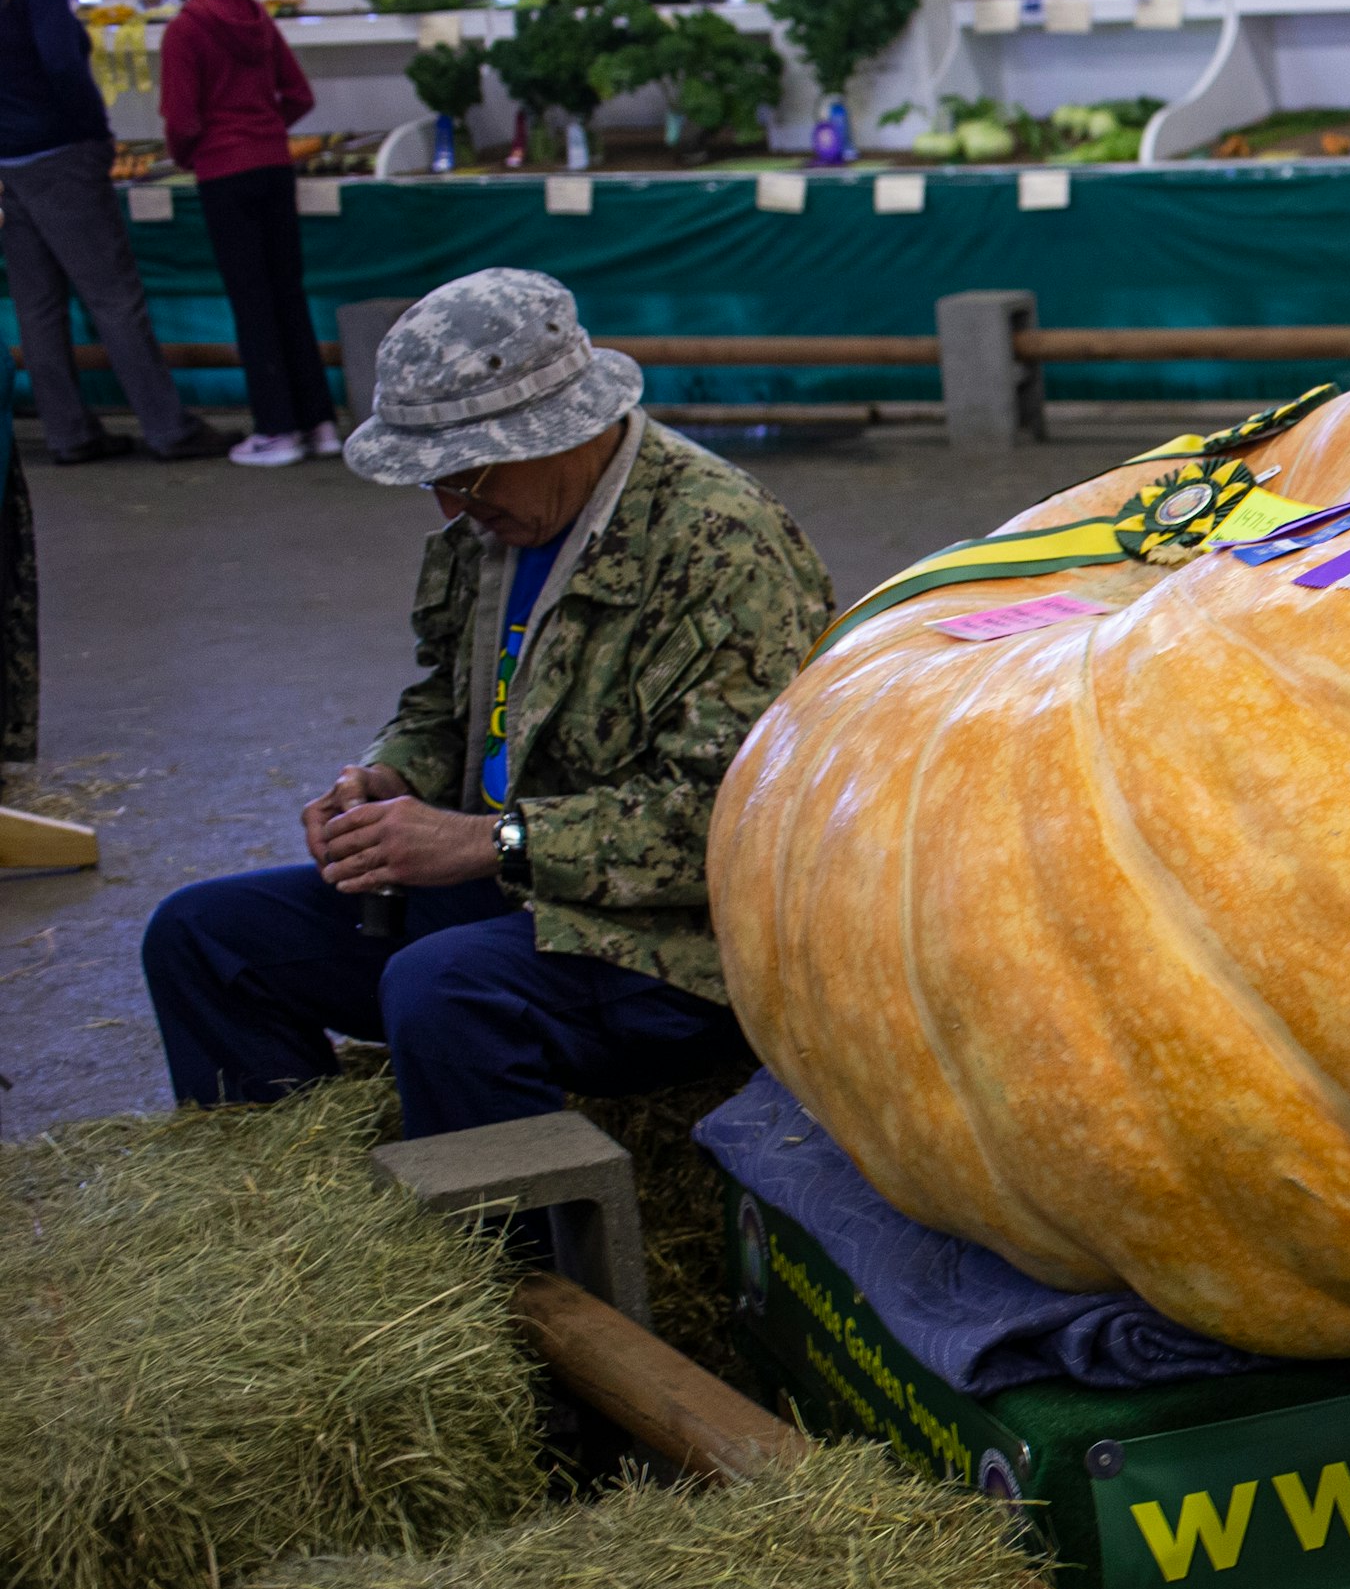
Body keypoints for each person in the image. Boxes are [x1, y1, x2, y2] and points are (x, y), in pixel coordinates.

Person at [140, 270, 833, 1139]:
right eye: (435, 478)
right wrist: (390, 775)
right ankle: (284, 1217)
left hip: (671, 943)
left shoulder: (723, 547)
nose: (449, 502)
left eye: (465, 472)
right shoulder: (497, 526)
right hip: (512, 892)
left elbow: (735, 823)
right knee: (202, 938)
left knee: (443, 989)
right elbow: (445, 693)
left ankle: (513, 1263)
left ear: (559, 433)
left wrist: (488, 841)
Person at [0, 0, 218, 465]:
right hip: (62, 154)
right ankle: (166, 426)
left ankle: (68, 431)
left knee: (37, 306)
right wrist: (86, 127)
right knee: (112, 296)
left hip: (8, 162)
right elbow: (63, 67)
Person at [159, 0, 335, 470]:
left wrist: (197, 152)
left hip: (223, 174)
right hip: (273, 168)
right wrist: (261, 133)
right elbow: (299, 95)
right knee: (289, 294)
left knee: (251, 302)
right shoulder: (256, 16)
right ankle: (319, 421)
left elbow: (182, 121)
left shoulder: (186, 28)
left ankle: (276, 430)